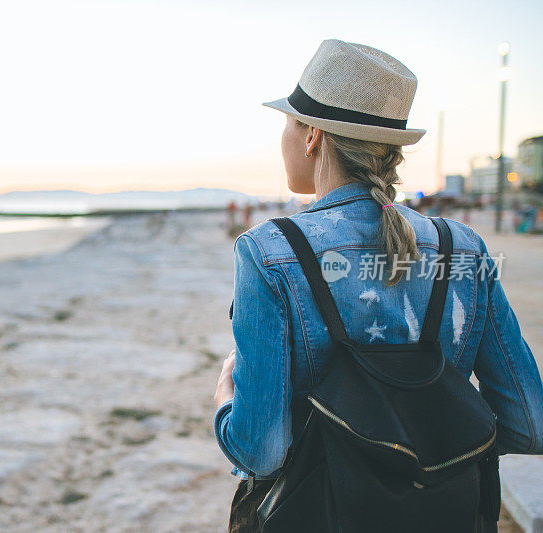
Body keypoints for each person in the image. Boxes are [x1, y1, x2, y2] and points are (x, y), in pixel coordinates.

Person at [212, 39, 543, 531]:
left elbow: (261, 452)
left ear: (312, 136)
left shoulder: (268, 253)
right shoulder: (464, 249)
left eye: (288, 121)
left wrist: (224, 401)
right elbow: (528, 423)